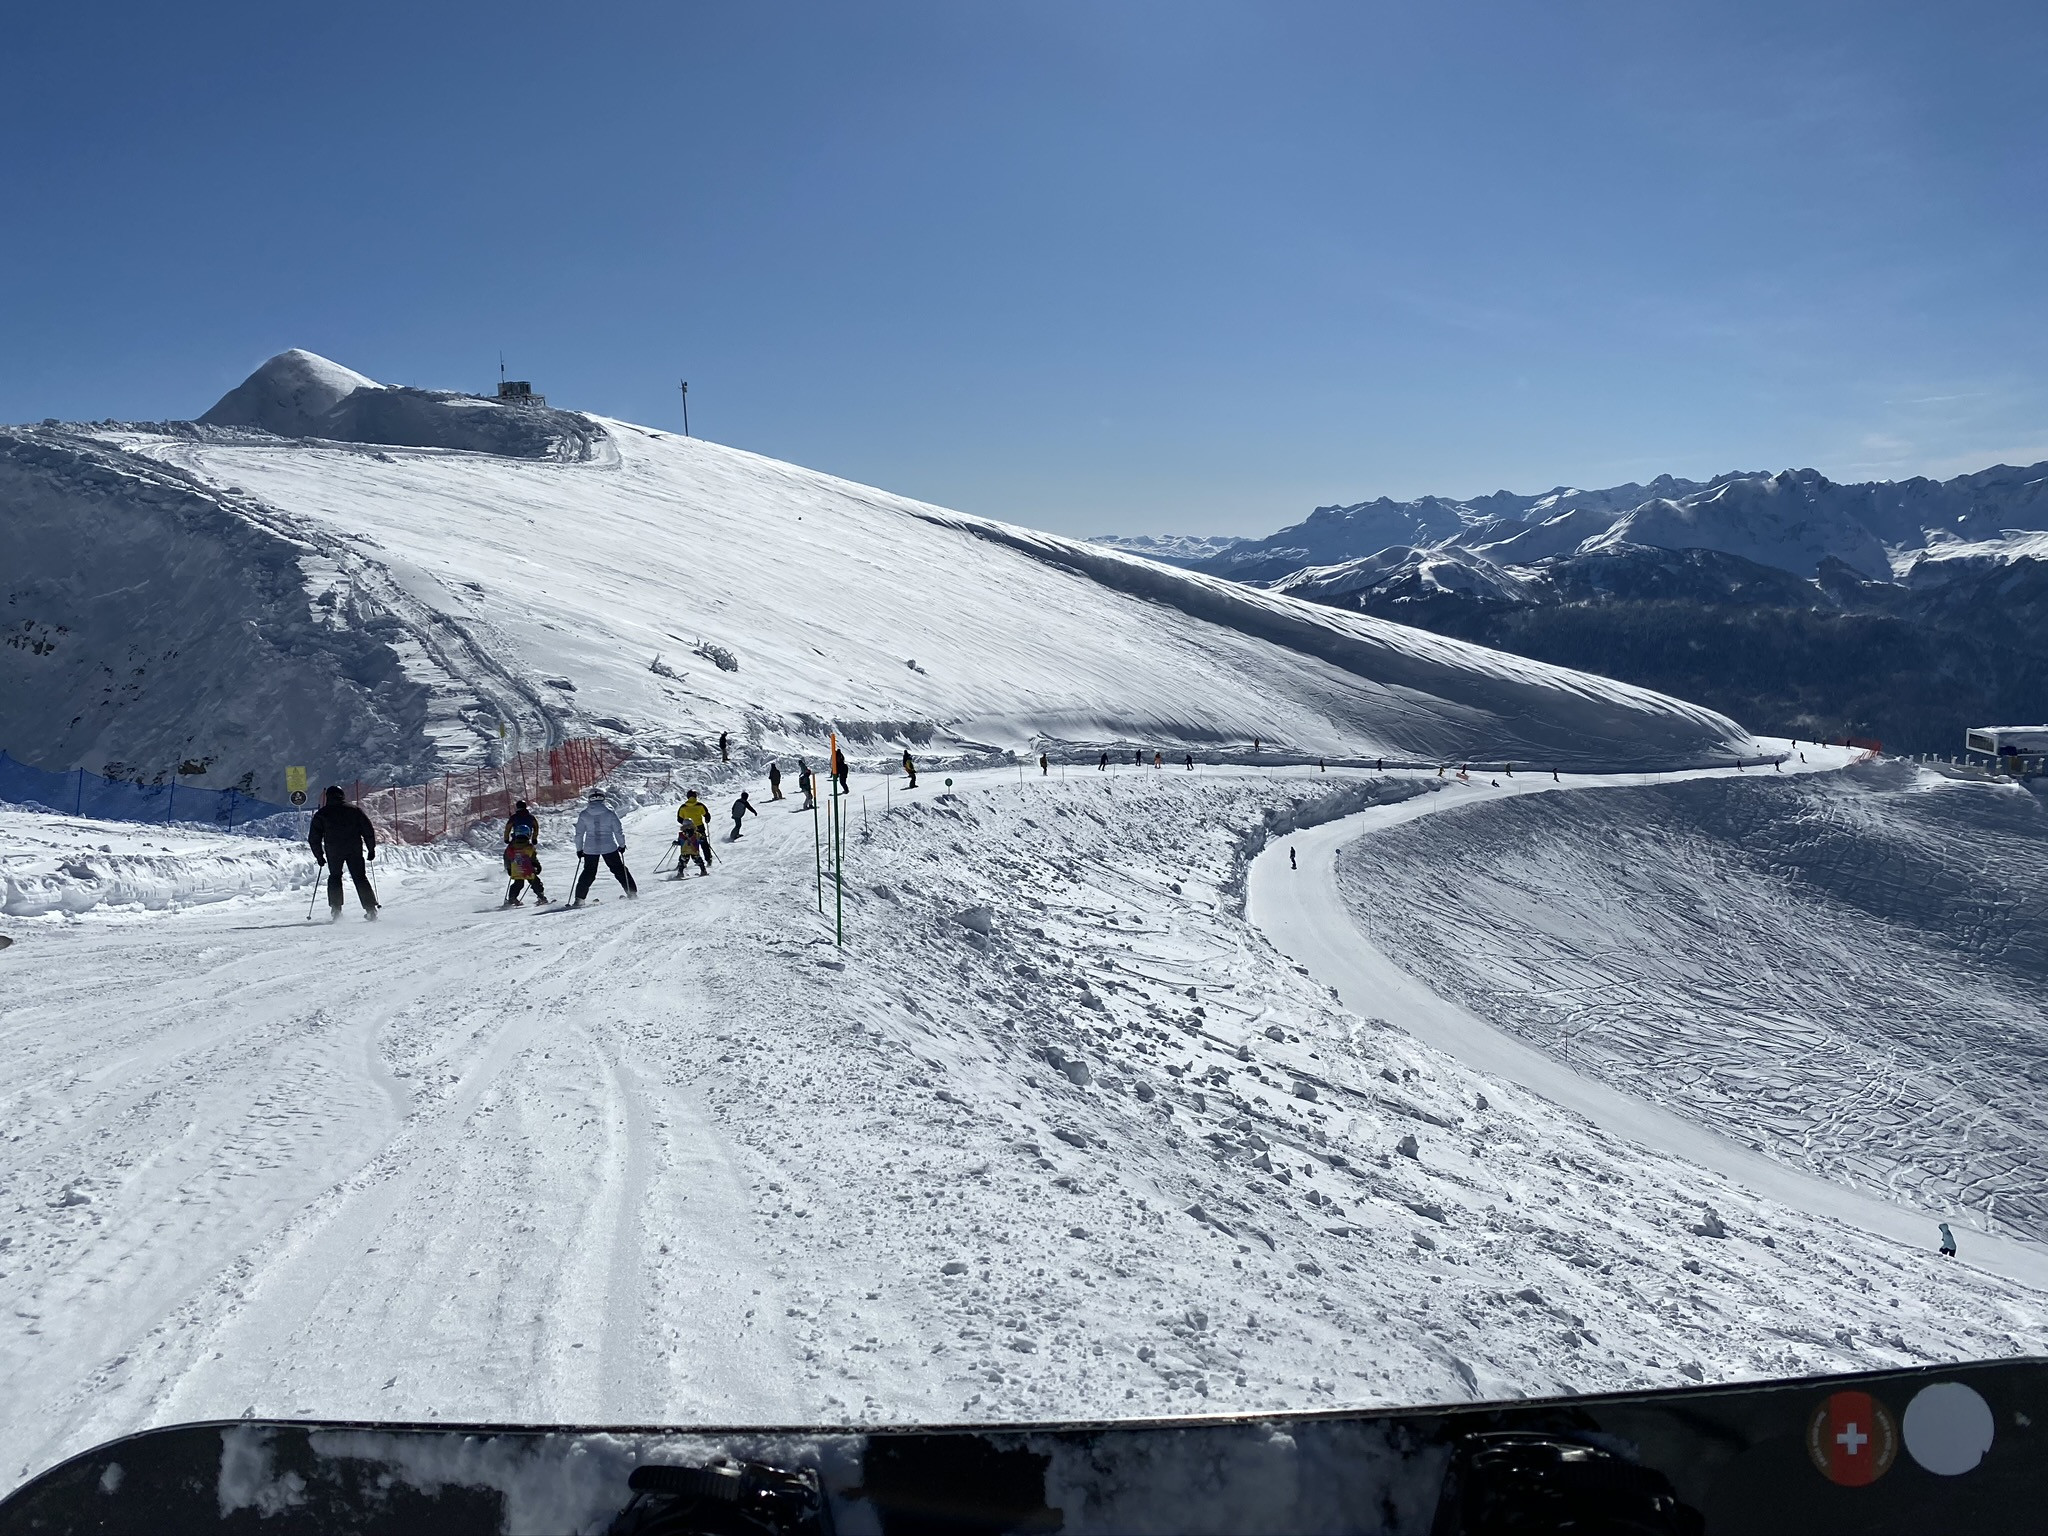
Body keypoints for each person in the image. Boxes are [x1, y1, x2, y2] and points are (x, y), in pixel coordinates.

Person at [309, 785, 379, 921]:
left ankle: (336, 910)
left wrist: (319, 856)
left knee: (335, 877)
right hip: (354, 849)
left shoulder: (322, 814)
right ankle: (371, 909)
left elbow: (314, 838)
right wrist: (371, 849)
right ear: (342, 795)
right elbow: (368, 831)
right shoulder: (355, 811)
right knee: (360, 877)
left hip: (334, 851)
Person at [572, 787, 636, 904]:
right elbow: (618, 831)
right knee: (619, 870)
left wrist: (579, 849)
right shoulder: (610, 814)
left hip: (590, 848)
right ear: (603, 798)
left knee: (589, 872)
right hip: (609, 846)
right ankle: (632, 892)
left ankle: (579, 899)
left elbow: (579, 834)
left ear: (589, 799)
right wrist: (622, 845)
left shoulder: (584, 814)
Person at [502, 798, 548, 906]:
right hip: (526, 841)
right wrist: (534, 838)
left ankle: (512, 898)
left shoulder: (514, 817)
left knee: (518, 882)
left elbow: (508, 828)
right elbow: (536, 827)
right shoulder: (531, 817)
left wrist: (506, 838)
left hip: (516, 841)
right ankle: (541, 897)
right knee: (534, 881)